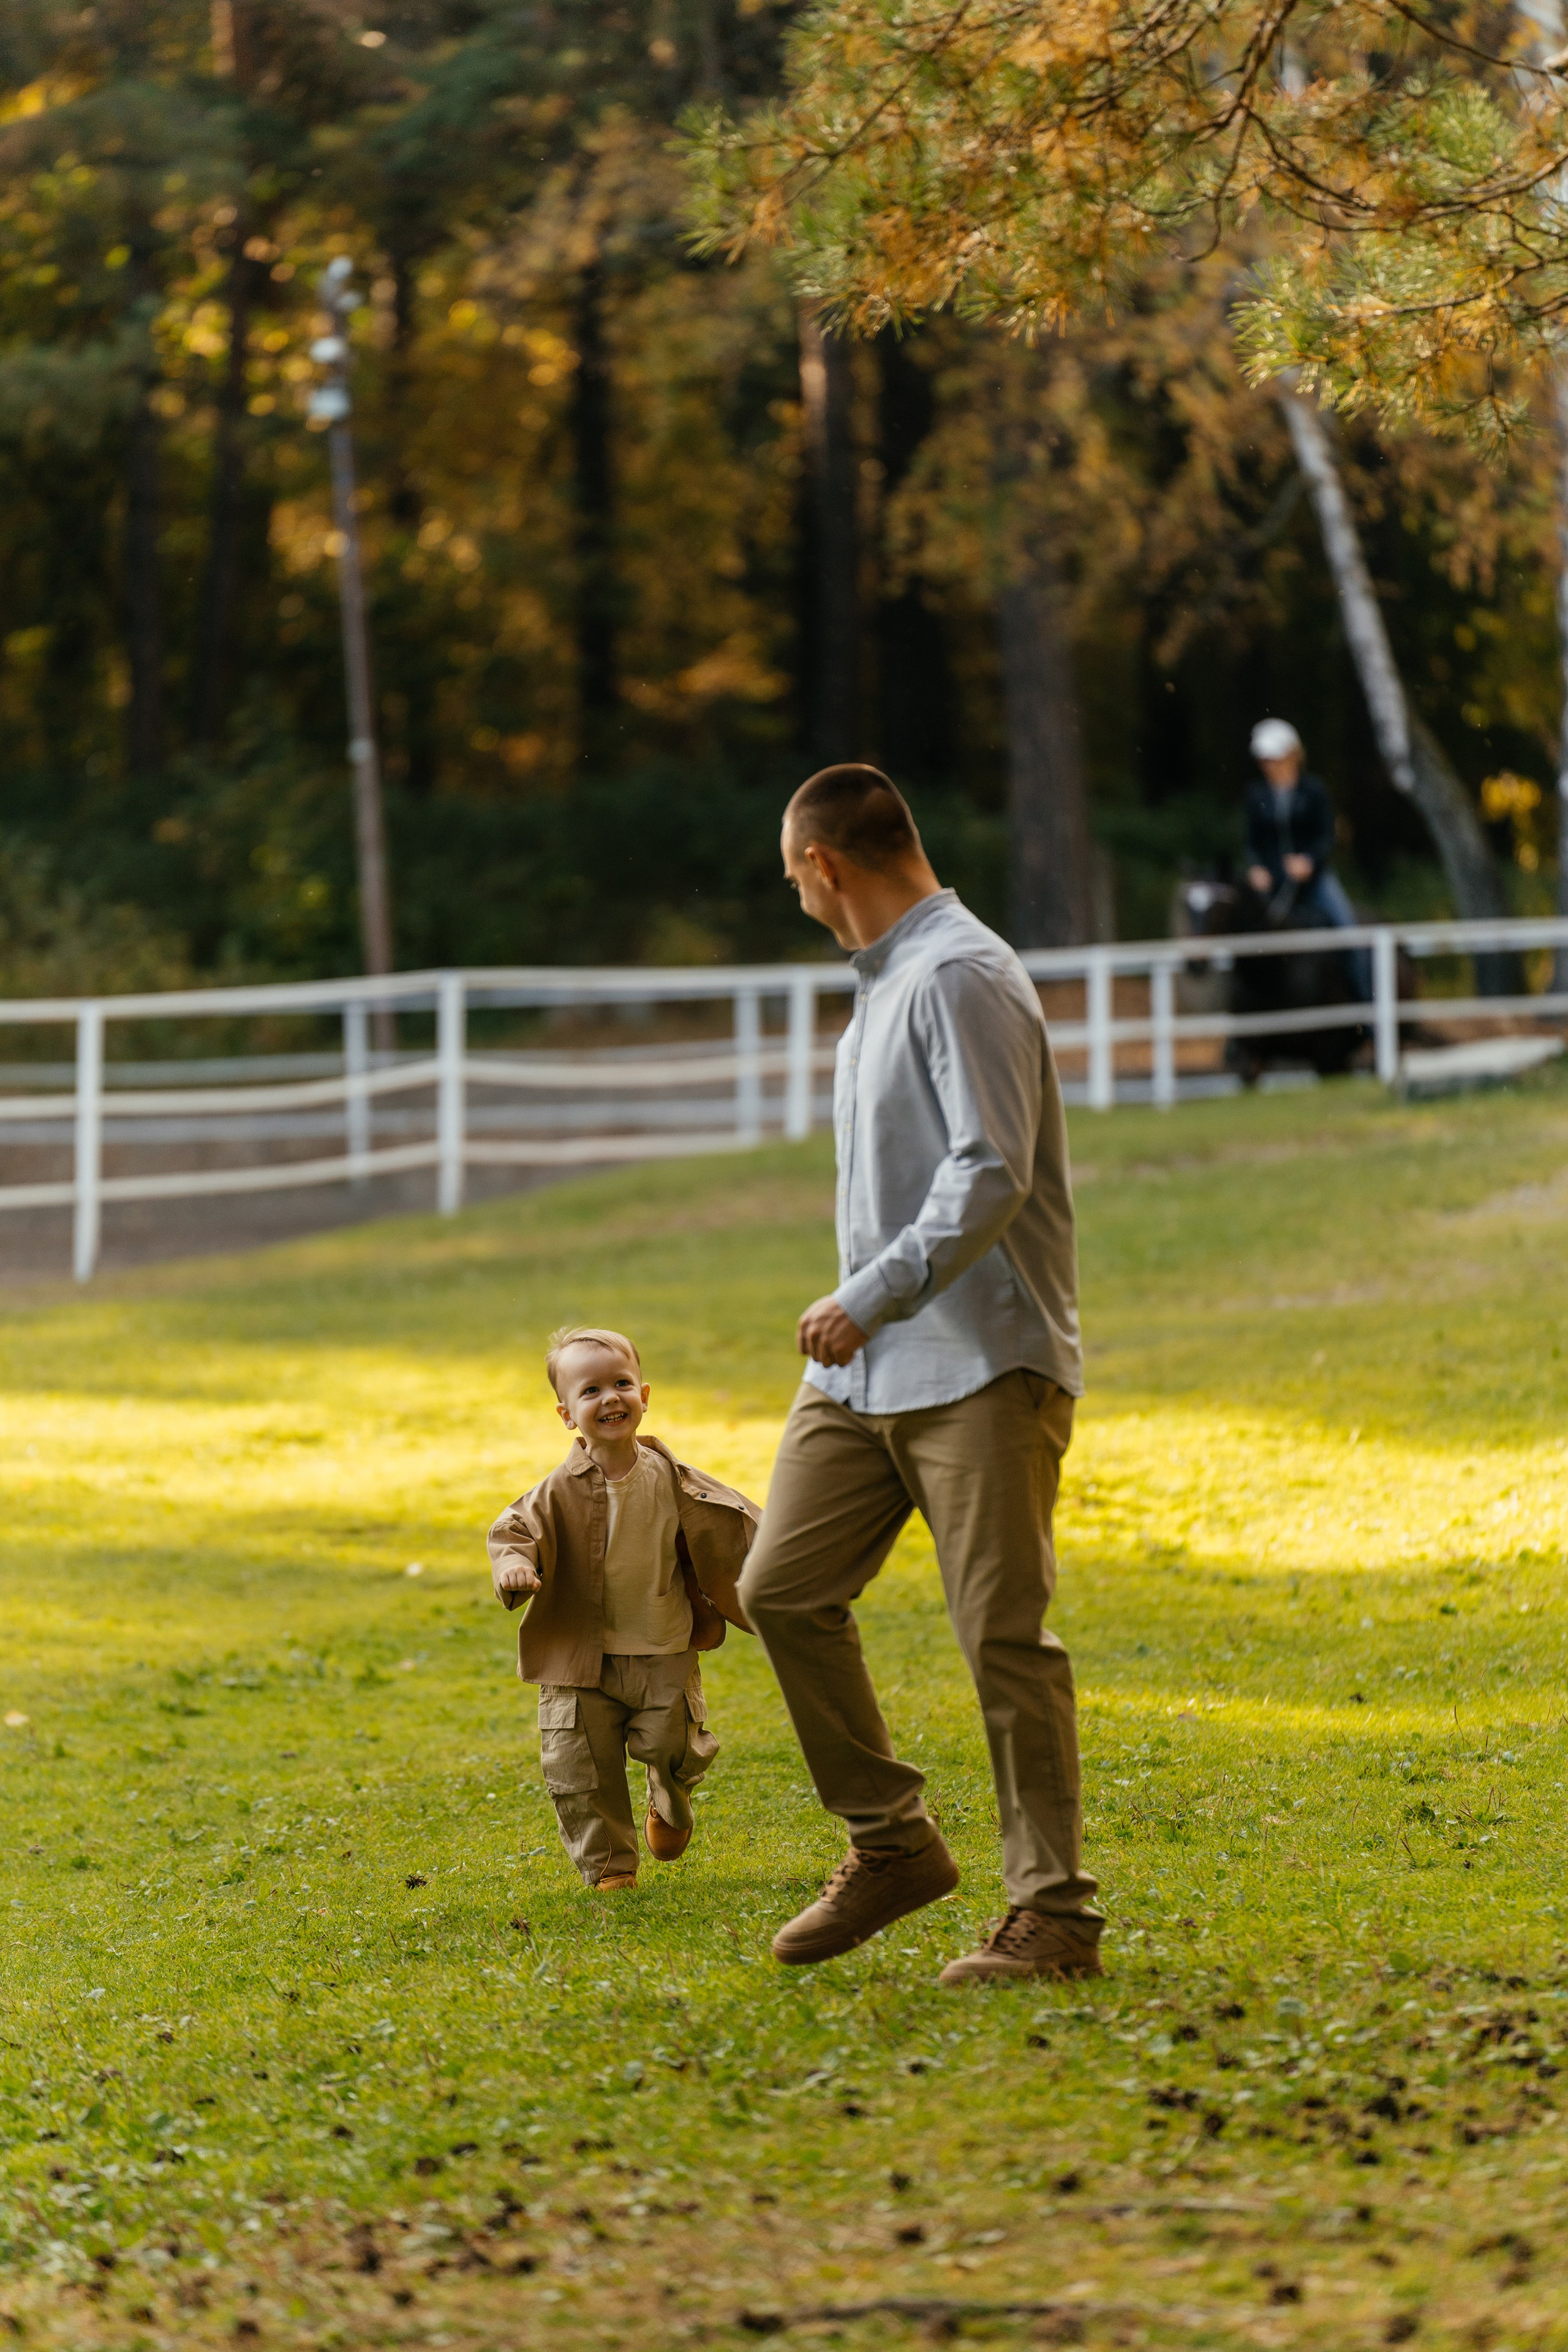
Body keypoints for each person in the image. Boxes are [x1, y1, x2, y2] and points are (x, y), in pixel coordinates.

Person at [738, 764, 1104, 1986]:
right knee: (781, 1588)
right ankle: (892, 1845)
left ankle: (1051, 1918)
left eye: (793, 878)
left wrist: (866, 1294)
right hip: (863, 1374)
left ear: (821, 867)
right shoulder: (886, 985)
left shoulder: (957, 974)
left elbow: (987, 1171)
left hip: (978, 1364)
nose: (796, 895)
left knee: (1003, 1641)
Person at [488, 1326, 758, 1892]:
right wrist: (513, 1566)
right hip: (579, 1656)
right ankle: (612, 1868)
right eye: (591, 1391)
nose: (610, 1398)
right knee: (580, 1767)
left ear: (645, 1395)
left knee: (674, 1745)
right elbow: (512, 1530)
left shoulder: (673, 1478)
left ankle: (671, 1798)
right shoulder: (555, 1490)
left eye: (622, 1384)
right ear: (566, 1414)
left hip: (663, 1642)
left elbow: (740, 1522)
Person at [1244, 717, 1370, 997]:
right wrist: (1256, 868)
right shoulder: (1256, 795)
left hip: (1315, 883)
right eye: (1265, 760)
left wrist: (1309, 862)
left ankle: (1367, 1011)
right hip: (1272, 886)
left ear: (1292, 755)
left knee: (1350, 935)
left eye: (1274, 758)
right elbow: (1252, 840)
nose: (1269, 765)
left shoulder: (1314, 790)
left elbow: (1327, 836)